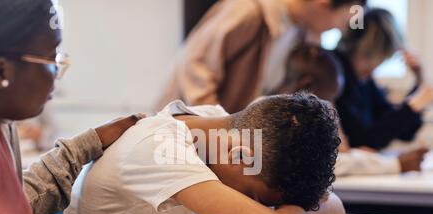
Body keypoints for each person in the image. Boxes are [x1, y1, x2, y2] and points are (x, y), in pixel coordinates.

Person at [0, 0, 257, 214]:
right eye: (51, 58)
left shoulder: (1, 126)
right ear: (0, 72)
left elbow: (16, 200)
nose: (58, 74)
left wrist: (88, 143)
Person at [62, 92, 345, 214]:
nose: (256, 208)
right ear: (242, 158)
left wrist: (287, 208)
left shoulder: (217, 126)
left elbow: (335, 206)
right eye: (254, 197)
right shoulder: (163, 149)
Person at [156, 0, 368, 113]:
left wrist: (339, 142)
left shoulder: (303, 34)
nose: (338, 29)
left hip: (225, 144)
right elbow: (195, 65)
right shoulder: (250, 11)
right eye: (342, 21)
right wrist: (219, 128)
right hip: (186, 137)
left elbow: (318, 93)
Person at [274, 44, 429, 175]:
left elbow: (341, 152)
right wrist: (395, 164)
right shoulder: (286, 119)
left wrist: (358, 155)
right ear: (307, 85)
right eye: (329, 99)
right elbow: (330, 163)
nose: (332, 107)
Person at [334, 8, 433, 150]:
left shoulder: (365, 82)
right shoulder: (336, 76)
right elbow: (363, 141)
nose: (376, 65)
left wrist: (418, 82)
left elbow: (404, 132)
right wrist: (415, 105)